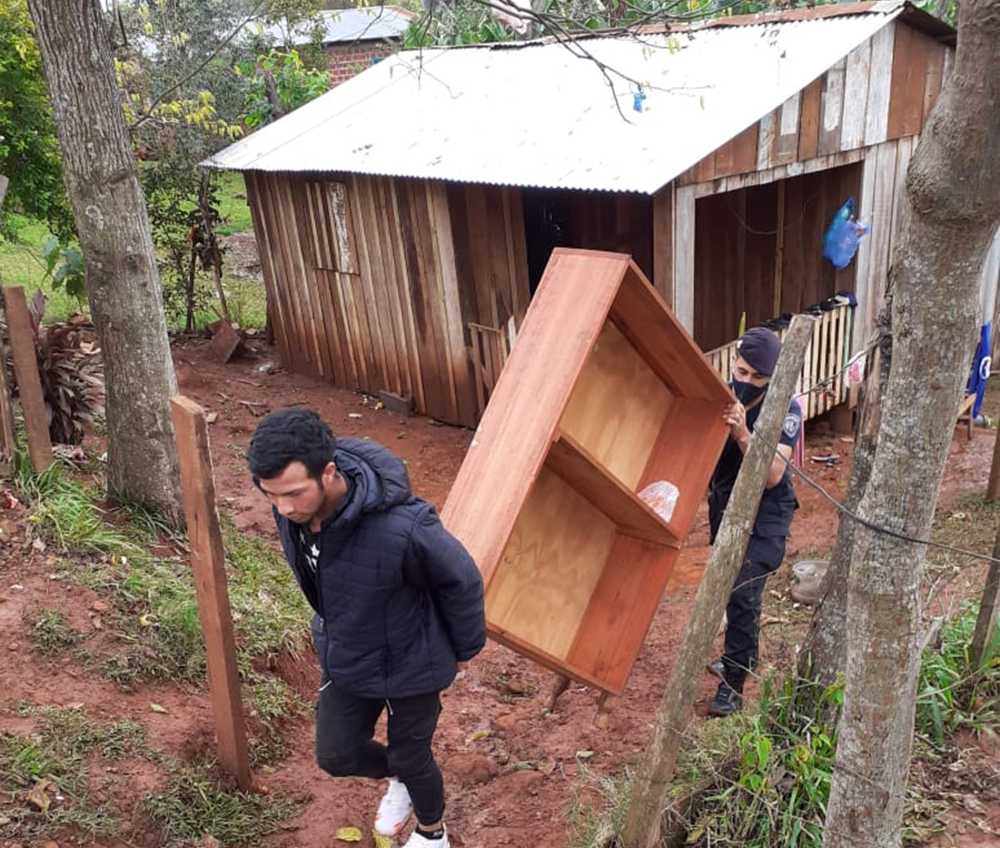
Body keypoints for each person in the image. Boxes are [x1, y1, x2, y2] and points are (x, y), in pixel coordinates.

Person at [247, 408, 486, 847]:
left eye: (294, 493)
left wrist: (461, 649)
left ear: (329, 472)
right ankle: (398, 777)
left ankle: (432, 833)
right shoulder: (293, 512)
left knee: (412, 754)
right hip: (349, 654)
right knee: (336, 755)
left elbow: (462, 579)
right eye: (271, 496)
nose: (282, 508)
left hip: (410, 664)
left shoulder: (404, 525)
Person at [706, 327, 801, 717]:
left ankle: (732, 684)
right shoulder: (718, 396)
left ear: (773, 378)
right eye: (741, 373)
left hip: (767, 514)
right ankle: (745, 655)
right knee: (729, 585)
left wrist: (742, 432)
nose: (745, 383)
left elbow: (772, 474)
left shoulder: (786, 408)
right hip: (726, 506)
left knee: (742, 592)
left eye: (757, 378)